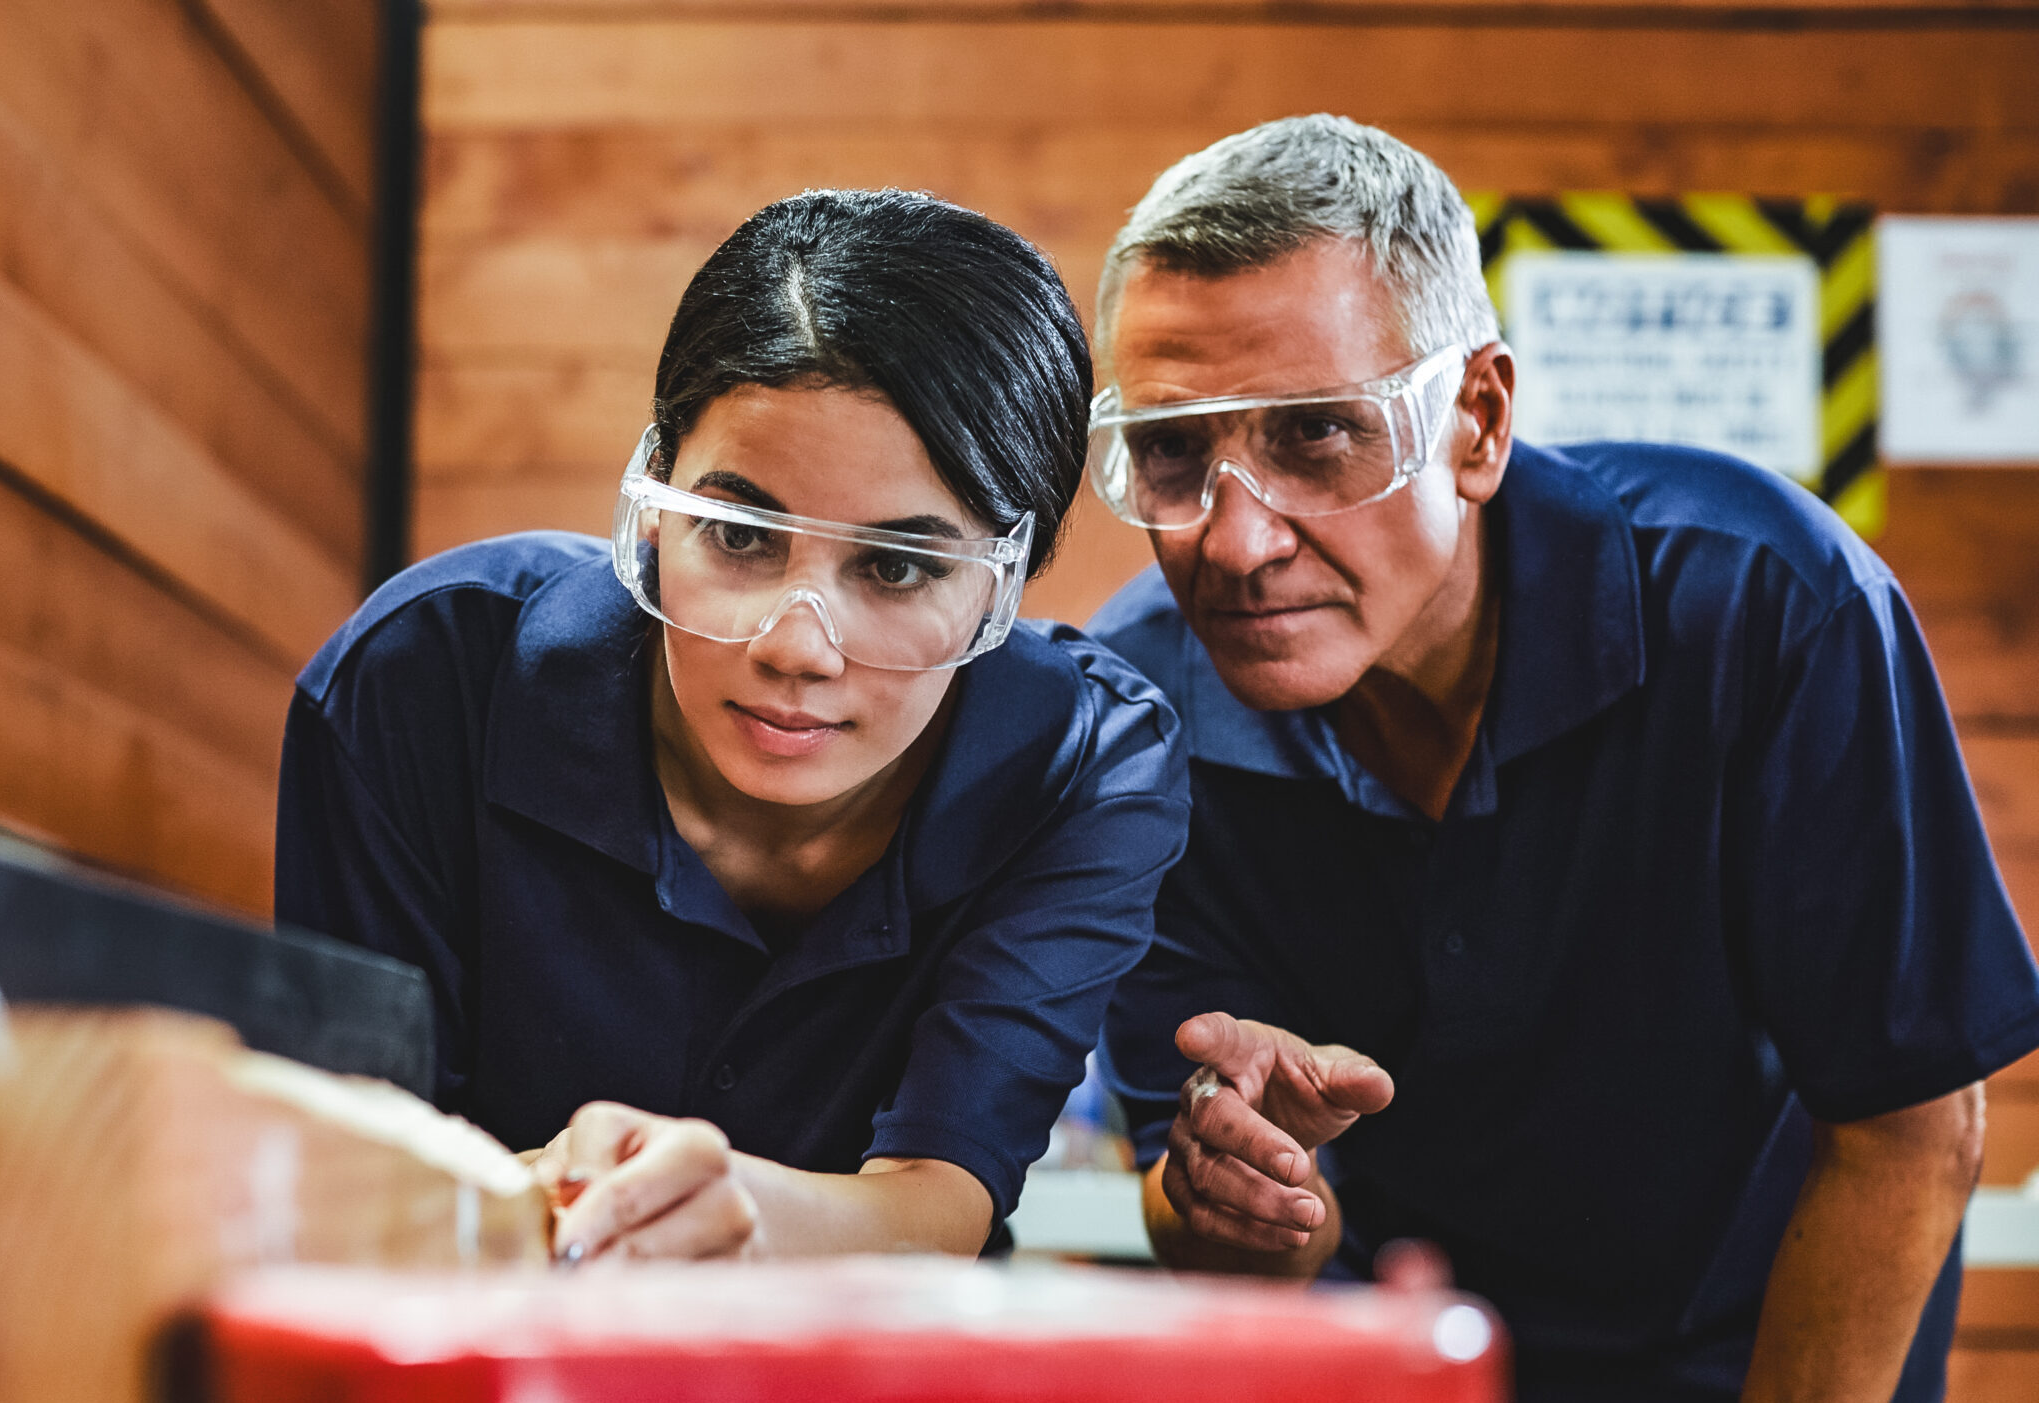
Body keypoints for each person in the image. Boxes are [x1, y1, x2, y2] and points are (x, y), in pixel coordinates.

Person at [1085, 115, 2039, 1402]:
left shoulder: (1765, 607)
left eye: (1317, 434)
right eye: (1173, 447)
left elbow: (1909, 1124)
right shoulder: (1134, 717)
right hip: (1400, 1363)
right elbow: (1222, 1237)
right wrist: (1246, 1192)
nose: (1236, 539)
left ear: (1475, 422)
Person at [277, 189, 1189, 1262]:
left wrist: (737, 1217)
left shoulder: (1087, 764)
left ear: (1007, 583)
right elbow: (341, 1173)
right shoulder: (419, 679)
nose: (796, 645)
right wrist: (548, 1200)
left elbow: (944, 1192)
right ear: (656, 497)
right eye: (741, 537)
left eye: (895, 567)